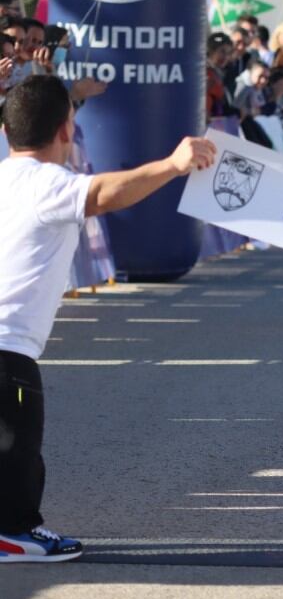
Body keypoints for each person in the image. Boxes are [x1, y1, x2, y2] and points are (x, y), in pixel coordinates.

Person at [0, 76, 216, 562]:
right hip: (8, 351)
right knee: (17, 449)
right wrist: (172, 165)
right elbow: (104, 194)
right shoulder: (46, 182)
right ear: (65, 129)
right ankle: (13, 531)